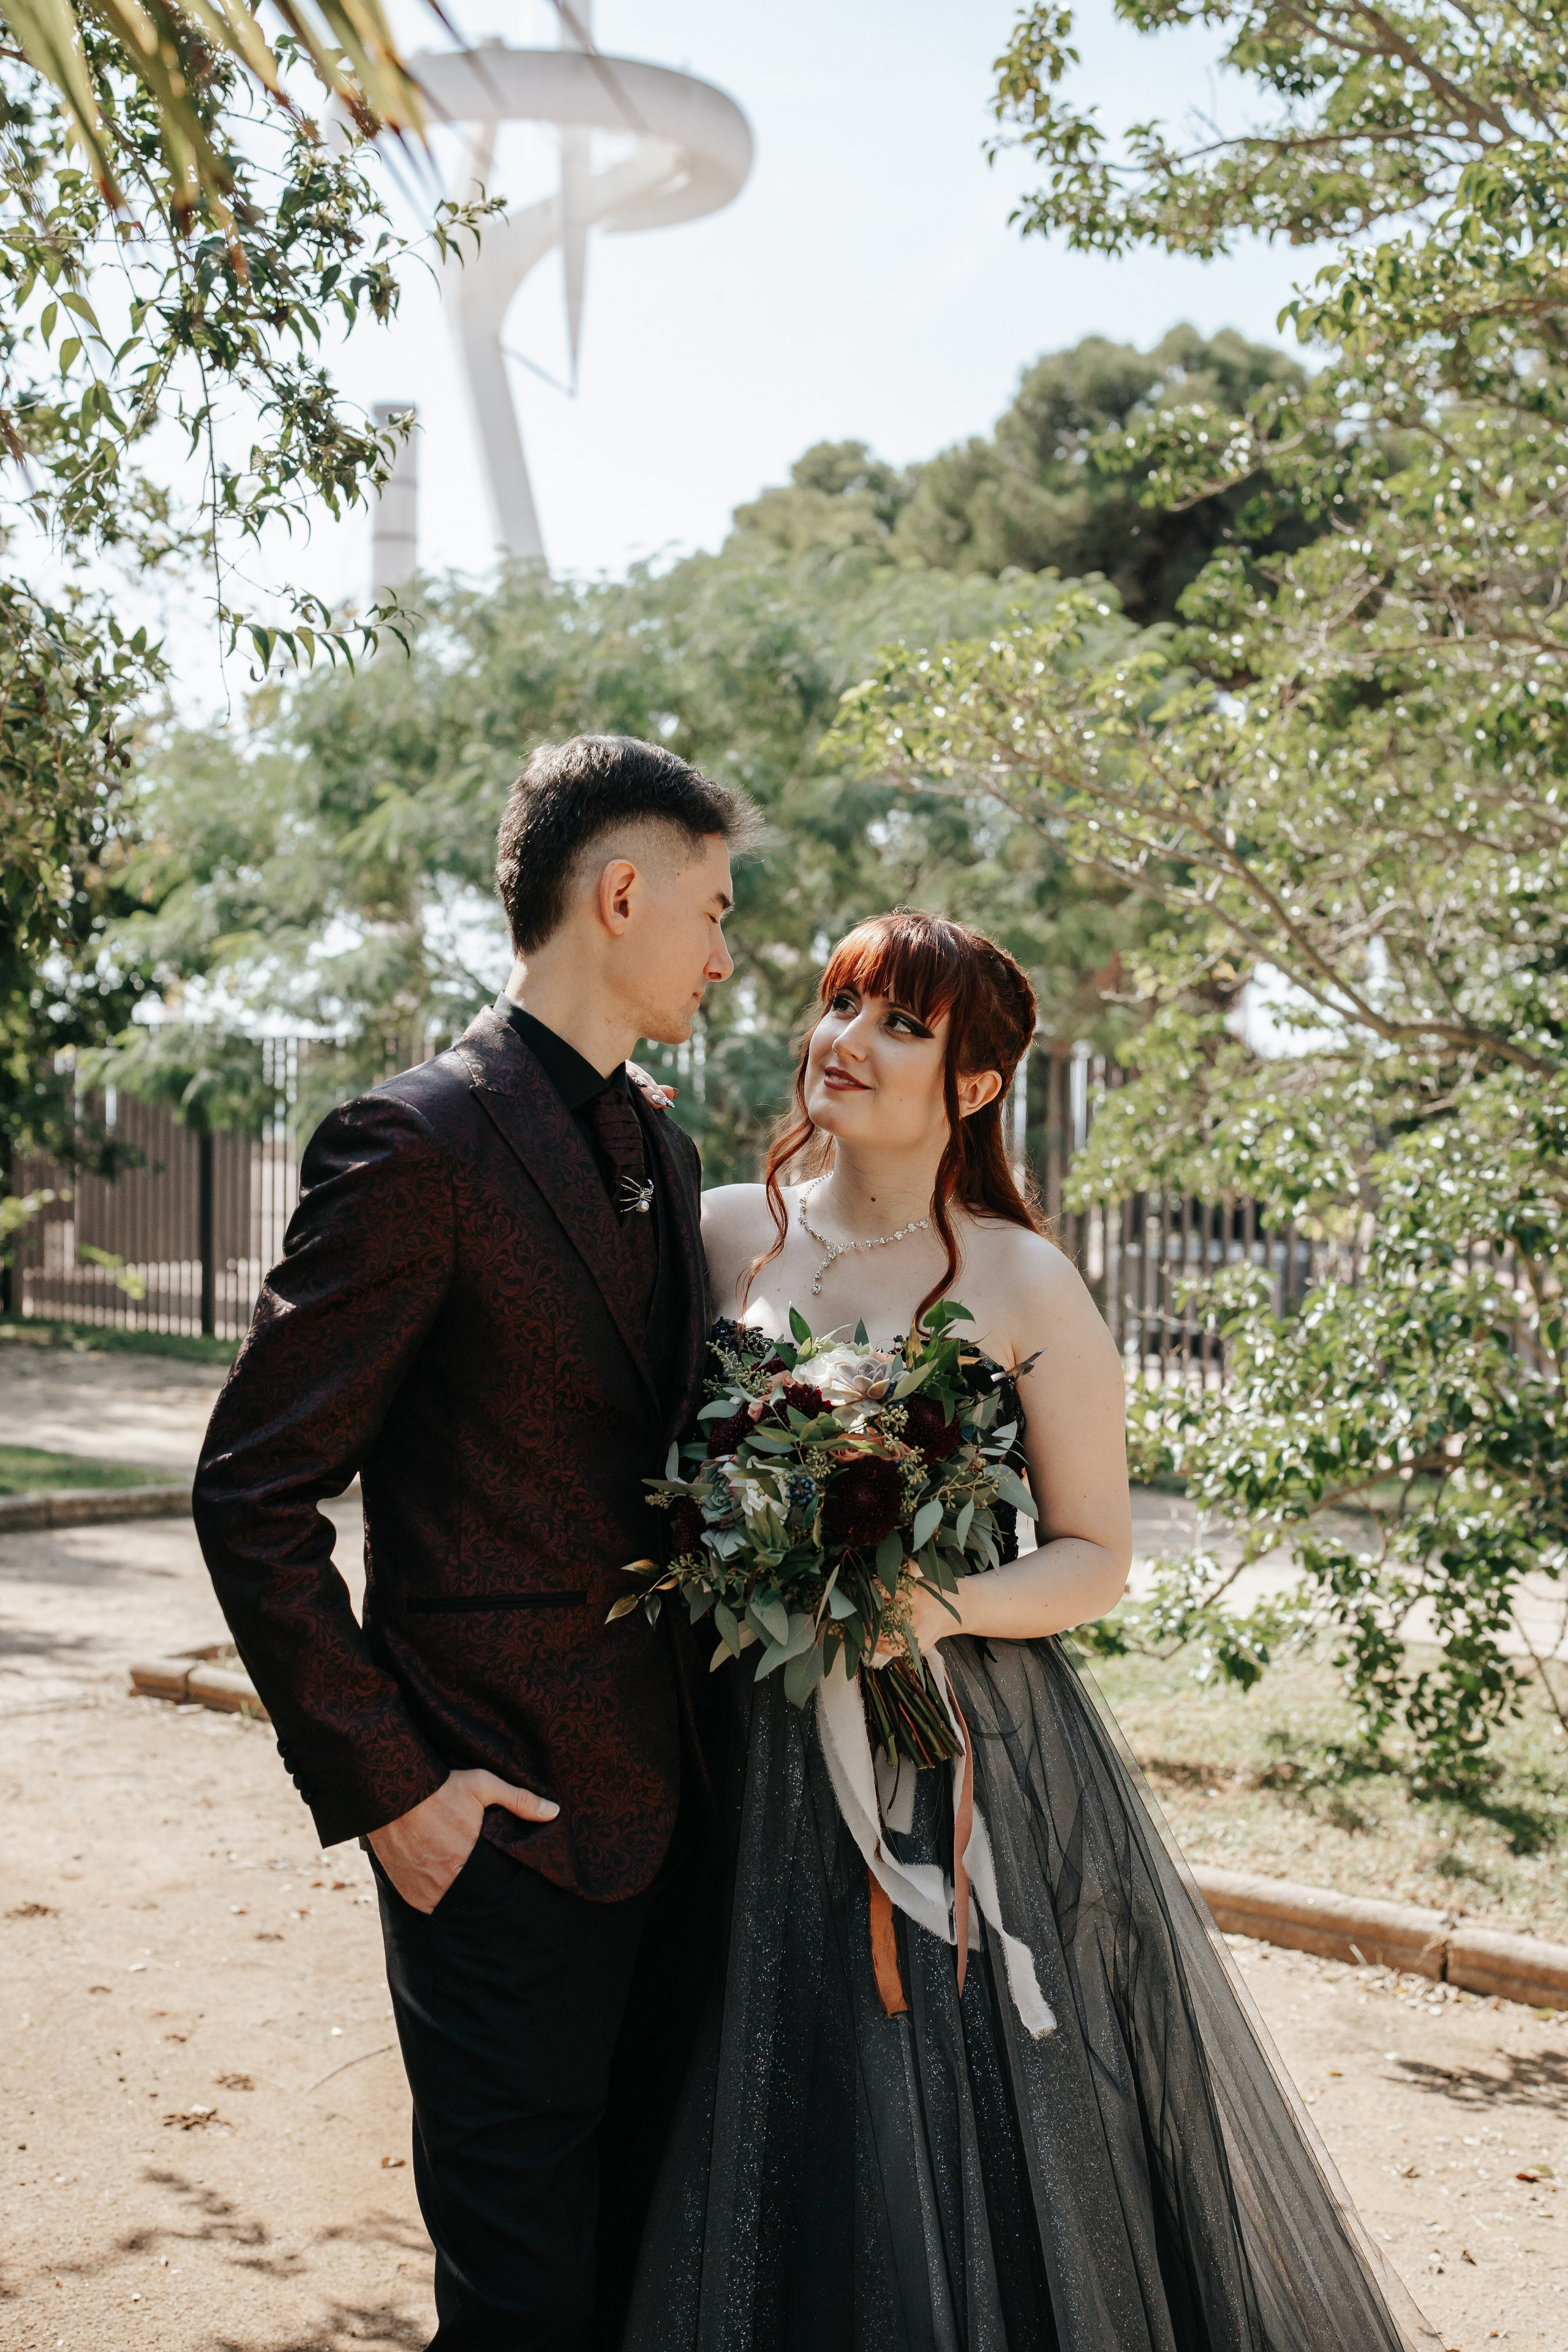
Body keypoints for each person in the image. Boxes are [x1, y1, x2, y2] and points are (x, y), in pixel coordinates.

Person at [623, 908, 1440, 2352]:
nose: (845, 1042)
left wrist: (921, 1605)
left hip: (938, 1747)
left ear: (975, 1084)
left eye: (900, 1025)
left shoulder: (1020, 1281)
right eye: (840, 1004)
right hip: (726, 1734)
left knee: (925, 2092)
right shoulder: (722, 1230)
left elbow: (1094, 1556)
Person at [191, 734, 758, 2352]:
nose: (726, 957)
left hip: (680, 1820)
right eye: (716, 913)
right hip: (495, 1826)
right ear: (622, 895)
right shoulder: (413, 1143)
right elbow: (254, 1491)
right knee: (522, 2307)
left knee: (642, 2280)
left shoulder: (666, 1146)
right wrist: (394, 1789)